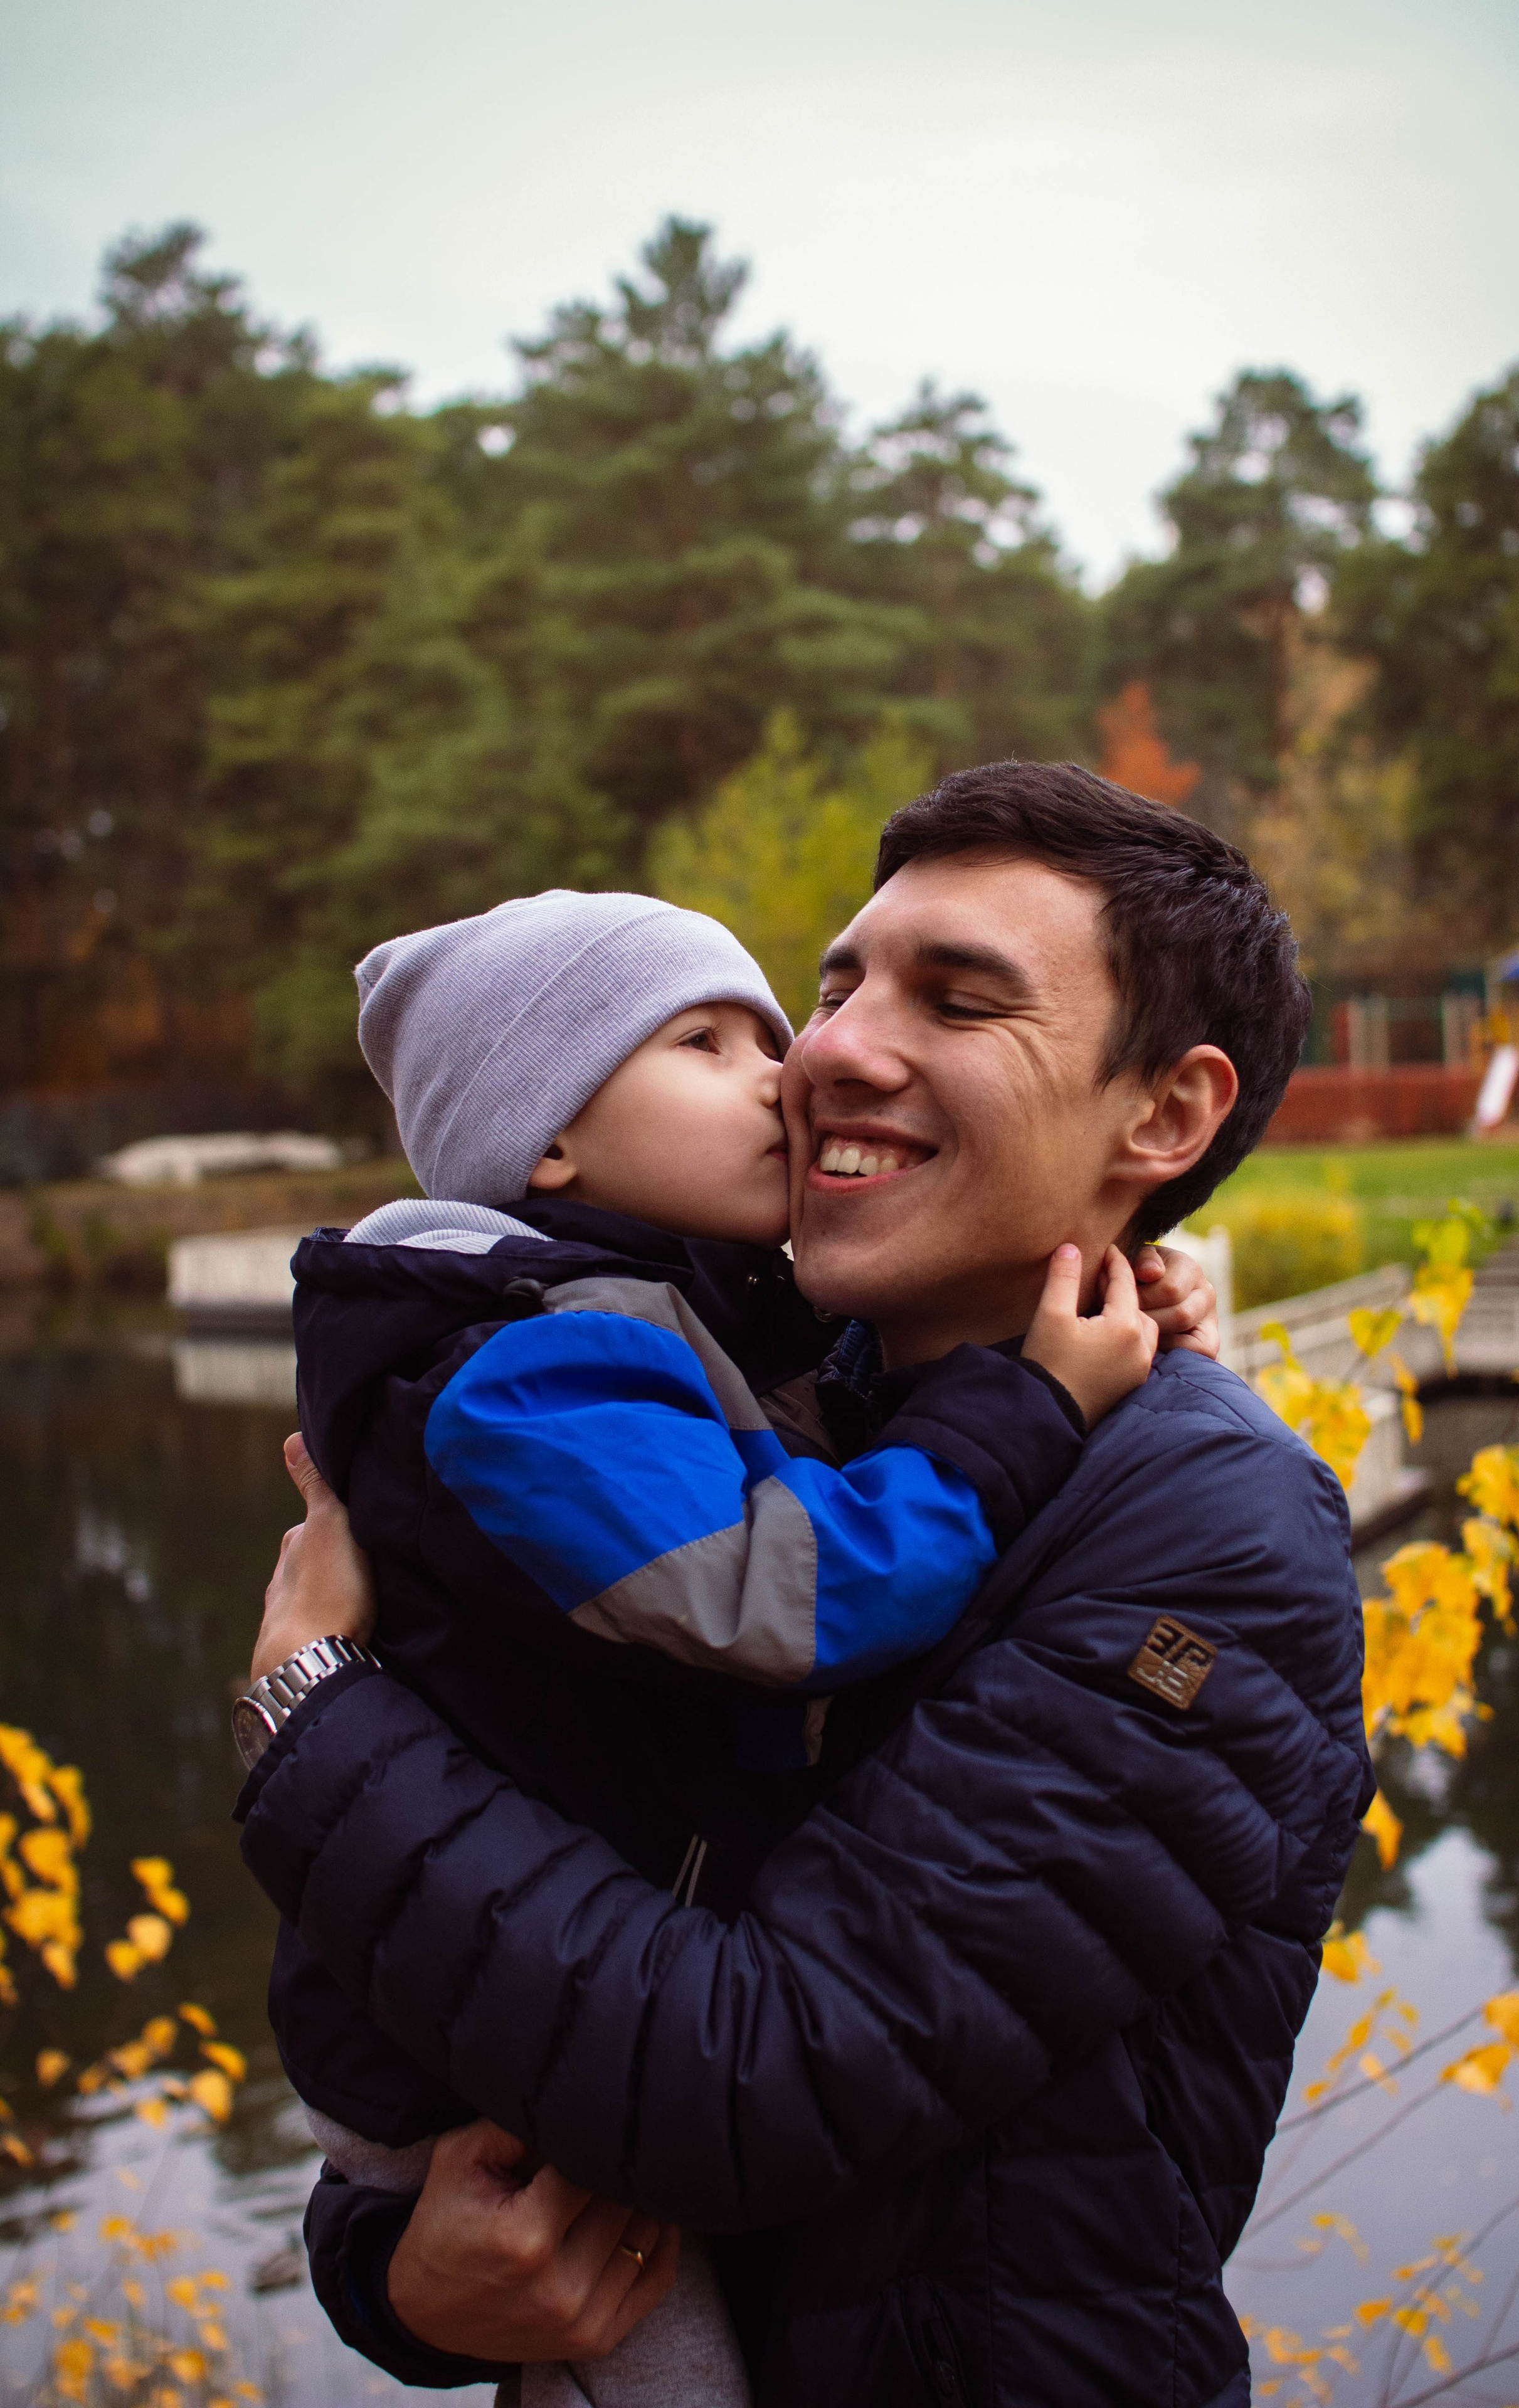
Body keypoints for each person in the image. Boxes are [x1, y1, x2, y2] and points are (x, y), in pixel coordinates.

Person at [238, 761, 1372, 2408]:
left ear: (1166, 1116)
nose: (826, 1049)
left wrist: (312, 1722)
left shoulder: (1211, 1540)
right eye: (831, 988)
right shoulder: (750, 1403)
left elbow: (752, 2080)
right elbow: (548, 1873)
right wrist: (399, 2275)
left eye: (961, 999)